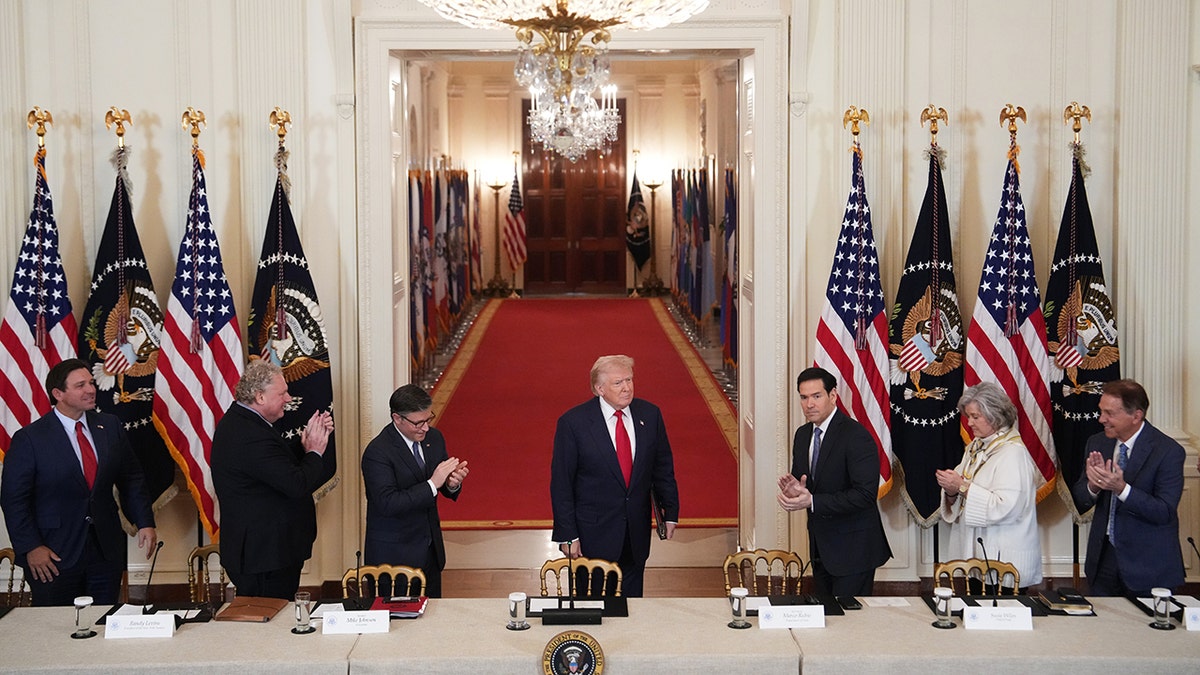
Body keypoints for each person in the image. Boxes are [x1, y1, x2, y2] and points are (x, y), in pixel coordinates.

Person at [0, 358, 157, 606]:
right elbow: (13, 500)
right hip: (52, 556)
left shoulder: (110, 426)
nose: (91, 389)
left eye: (92, 383)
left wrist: (145, 521)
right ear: (58, 394)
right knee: (57, 632)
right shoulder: (30, 439)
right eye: (81, 385)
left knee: (100, 624)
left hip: (105, 551)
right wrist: (32, 547)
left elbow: (131, 478)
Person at [550, 354, 680, 597]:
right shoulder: (573, 423)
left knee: (632, 607)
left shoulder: (650, 415)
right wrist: (567, 535)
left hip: (635, 533)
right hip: (592, 537)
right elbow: (561, 484)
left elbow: (662, 468)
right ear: (599, 389)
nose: (627, 388)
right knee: (592, 608)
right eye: (618, 383)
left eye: (629, 380)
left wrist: (669, 513)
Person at [211, 359, 333, 600]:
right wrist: (315, 451)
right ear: (260, 397)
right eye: (283, 393)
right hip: (264, 558)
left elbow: (272, 466)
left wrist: (303, 445)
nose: (288, 399)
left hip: (266, 554)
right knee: (269, 625)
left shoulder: (245, 424)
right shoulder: (250, 434)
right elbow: (296, 484)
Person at [778, 367, 891, 599]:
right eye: (804, 397)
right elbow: (806, 483)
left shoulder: (856, 436)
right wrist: (796, 492)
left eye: (816, 396)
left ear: (832, 396)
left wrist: (813, 500)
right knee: (827, 620)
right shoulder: (802, 435)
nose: (809, 404)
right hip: (821, 549)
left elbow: (864, 495)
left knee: (850, 626)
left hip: (854, 550)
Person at [1071, 379, 1185, 596]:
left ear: (1136, 416)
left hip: (1148, 565)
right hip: (1103, 560)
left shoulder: (1168, 451)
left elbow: (1164, 512)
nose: (1101, 419)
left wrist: (1122, 489)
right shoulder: (1097, 443)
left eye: (1110, 413)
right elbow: (1080, 497)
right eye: (1101, 411)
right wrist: (1093, 487)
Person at [361, 384, 468, 598]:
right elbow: (387, 503)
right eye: (418, 423)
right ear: (397, 418)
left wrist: (452, 483)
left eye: (428, 420)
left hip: (430, 551)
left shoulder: (434, 439)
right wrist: (433, 483)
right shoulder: (377, 453)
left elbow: (442, 485)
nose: (425, 428)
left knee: (432, 619)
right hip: (394, 559)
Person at [935, 382, 1042, 590]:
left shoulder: (1013, 453)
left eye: (975, 417)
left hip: (1004, 562)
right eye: (969, 417)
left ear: (994, 415)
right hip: (976, 557)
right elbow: (960, 488)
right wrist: (950, 491)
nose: (970, 423)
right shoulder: (976, 447)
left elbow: (1006, 507)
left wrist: (962, 487)